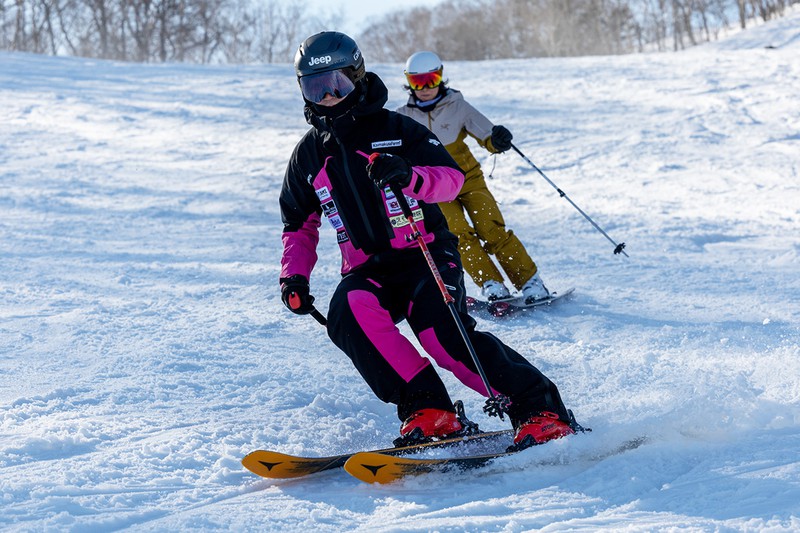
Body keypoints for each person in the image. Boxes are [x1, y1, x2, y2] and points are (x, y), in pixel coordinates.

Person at [279, 31, 577, 448]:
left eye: (337, 85)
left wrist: (409, 174)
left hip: (425, 256)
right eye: (316, 87)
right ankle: (428, 408)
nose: (328, 96)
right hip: (368, 270)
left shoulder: (398, 129)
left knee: (442, 334)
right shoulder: (309, 154)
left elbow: (452, 180)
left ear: (357, 76)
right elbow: (298, 223)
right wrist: (294, 278)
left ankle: (538, 408)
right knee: (348, 312)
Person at [396, 51, 549, 304]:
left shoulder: (458, 106)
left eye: (431, 80)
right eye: (417, 82)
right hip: (436, 187)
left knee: (491, 227)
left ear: (441, 77)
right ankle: (491, 283)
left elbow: (486, 134)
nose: (425, 88)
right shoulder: (404, 116)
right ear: (408, 82)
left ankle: (529, 281)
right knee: (457, 234)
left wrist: (497, 139)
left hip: (468, 179)